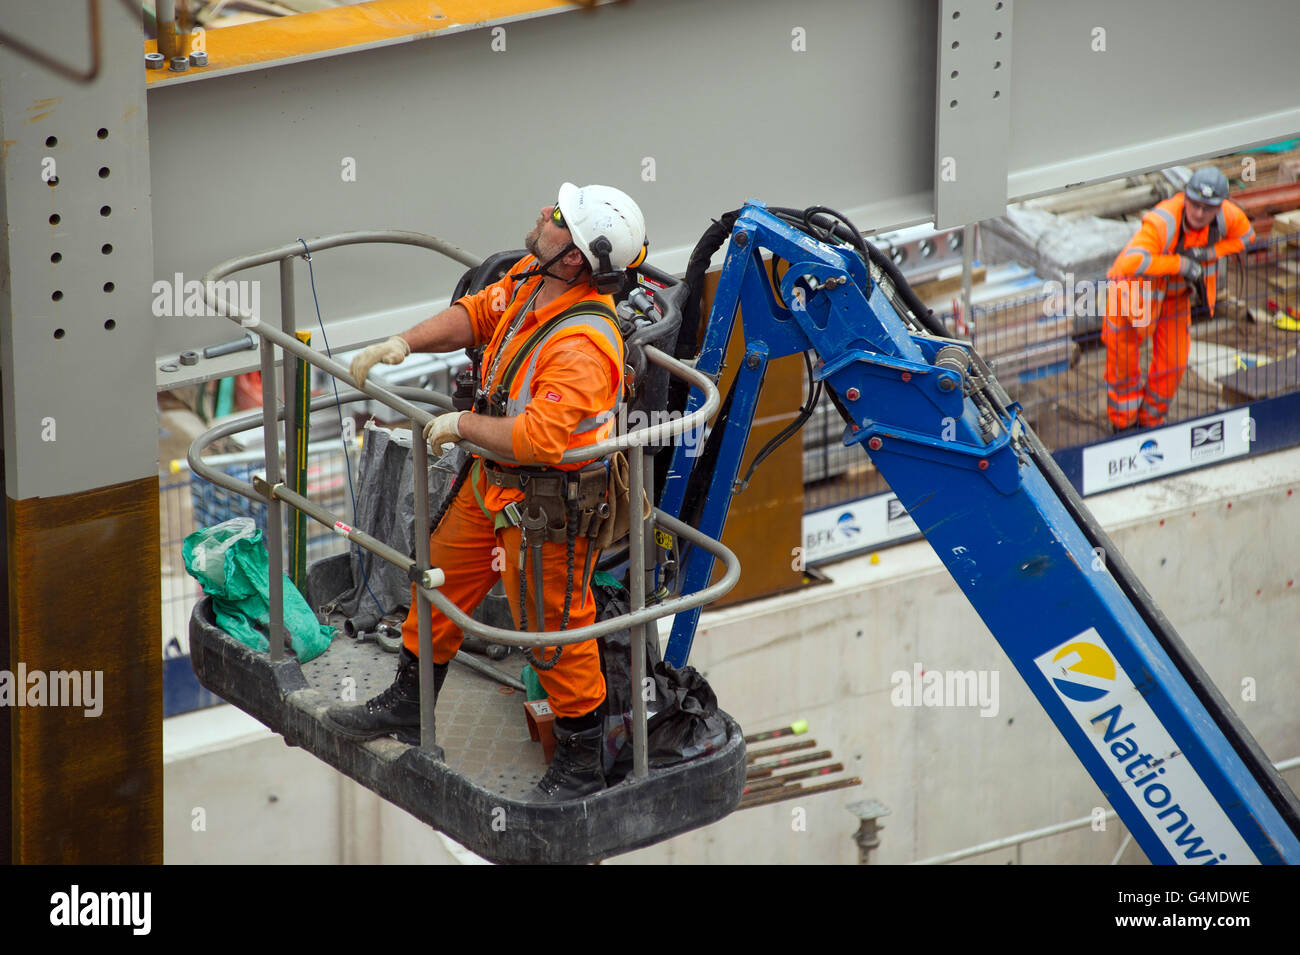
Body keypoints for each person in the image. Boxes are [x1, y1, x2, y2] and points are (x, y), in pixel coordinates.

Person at [324, 183, 648, 800]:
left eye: (557, 217)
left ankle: (582, 758)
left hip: (548, 504)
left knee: (553, 629)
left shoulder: (581, 345)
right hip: (494, 481)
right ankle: (408, 701)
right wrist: (405, 343)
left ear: (576, 255)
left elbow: (539, 438)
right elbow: (478, 313)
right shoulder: (533, 278)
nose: (543, 217)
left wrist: (461, 425)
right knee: (438, 576)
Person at [1102, 166, 1255, 432]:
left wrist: (1208, 253)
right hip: (1132, 292)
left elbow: (1246, 237)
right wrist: (1182, 265)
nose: (1199, 214)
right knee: (1123, 365)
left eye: (1207, 209)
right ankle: (1122, 426)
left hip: (1174, 297)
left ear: (1220, 207)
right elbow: (1131, 262)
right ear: (1185, 197)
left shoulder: (1227, 216)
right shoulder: (1163, 221)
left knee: (1172, 363)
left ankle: (1150, 424)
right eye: (1194, 205)